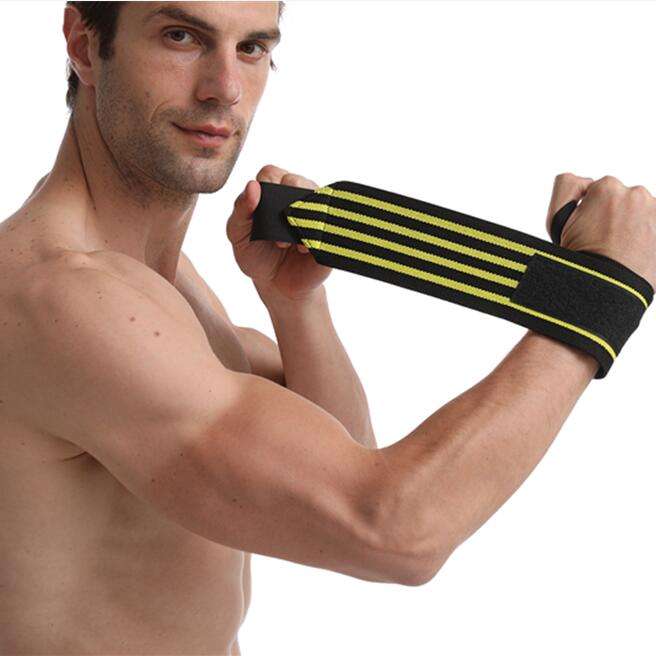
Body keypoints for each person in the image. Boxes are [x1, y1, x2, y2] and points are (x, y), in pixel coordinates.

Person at [1, 1, 655, 654]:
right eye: (181, 37)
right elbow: (392, 532)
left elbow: (346, 454)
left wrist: (296, 308)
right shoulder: (65, 299)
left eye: (252, 48)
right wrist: (600, 295)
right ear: (84, 45)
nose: (224, 88)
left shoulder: (151, 280)